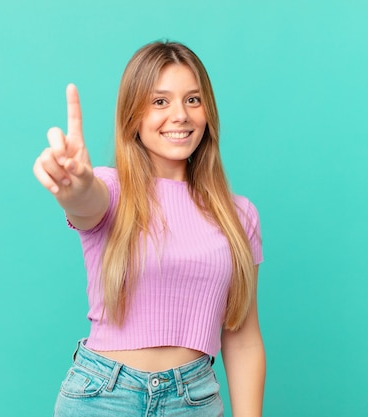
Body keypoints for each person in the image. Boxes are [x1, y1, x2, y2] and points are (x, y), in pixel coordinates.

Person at [33, 41, 265, 417]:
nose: (180, 115)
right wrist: (73, 189)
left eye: (193, 100)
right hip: (103, 397)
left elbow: (242, 337)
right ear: (133, 116)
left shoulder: (239, 215)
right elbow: (86, 202)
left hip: (194, 400)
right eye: (160, 102)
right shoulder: (111, 188)